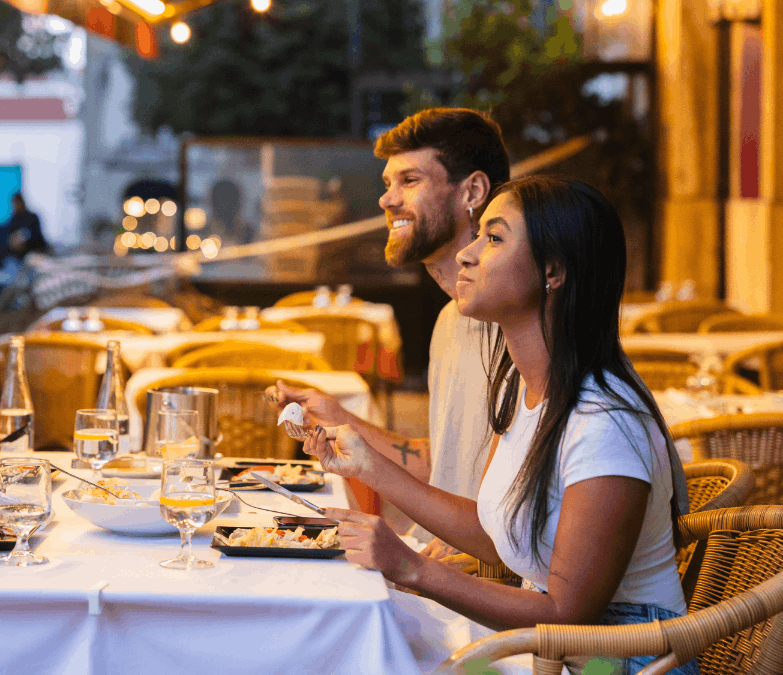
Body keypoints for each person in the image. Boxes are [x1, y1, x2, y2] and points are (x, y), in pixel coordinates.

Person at [308, 176, 696, 675]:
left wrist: (410, 566)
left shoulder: (604, 422)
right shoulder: (521, 385)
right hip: (549, 648)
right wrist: (368, 465)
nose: (467, 255)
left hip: (619, 657)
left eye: (493, 239)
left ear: (552, 271)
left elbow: (567, 612)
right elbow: (498, 535)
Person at [268, 108, 509, 555]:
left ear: (472, 191)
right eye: (387, 184)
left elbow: (512, 531)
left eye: (410, 181)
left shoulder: (513, 326)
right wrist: (340, 417)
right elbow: (443, 461)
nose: (386, 200)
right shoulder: (451, 322)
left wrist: (416, 570)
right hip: (443, 560)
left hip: (478, 582)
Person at [6, 192, 47, 259]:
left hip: (35, 250)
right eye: (15, 203)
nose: (17, 205)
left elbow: (37, 236)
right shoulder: (14, 220)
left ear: (23, 202)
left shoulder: (32, 217)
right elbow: (10, 237)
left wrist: (23, 239)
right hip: (19, 255)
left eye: (19, 202)